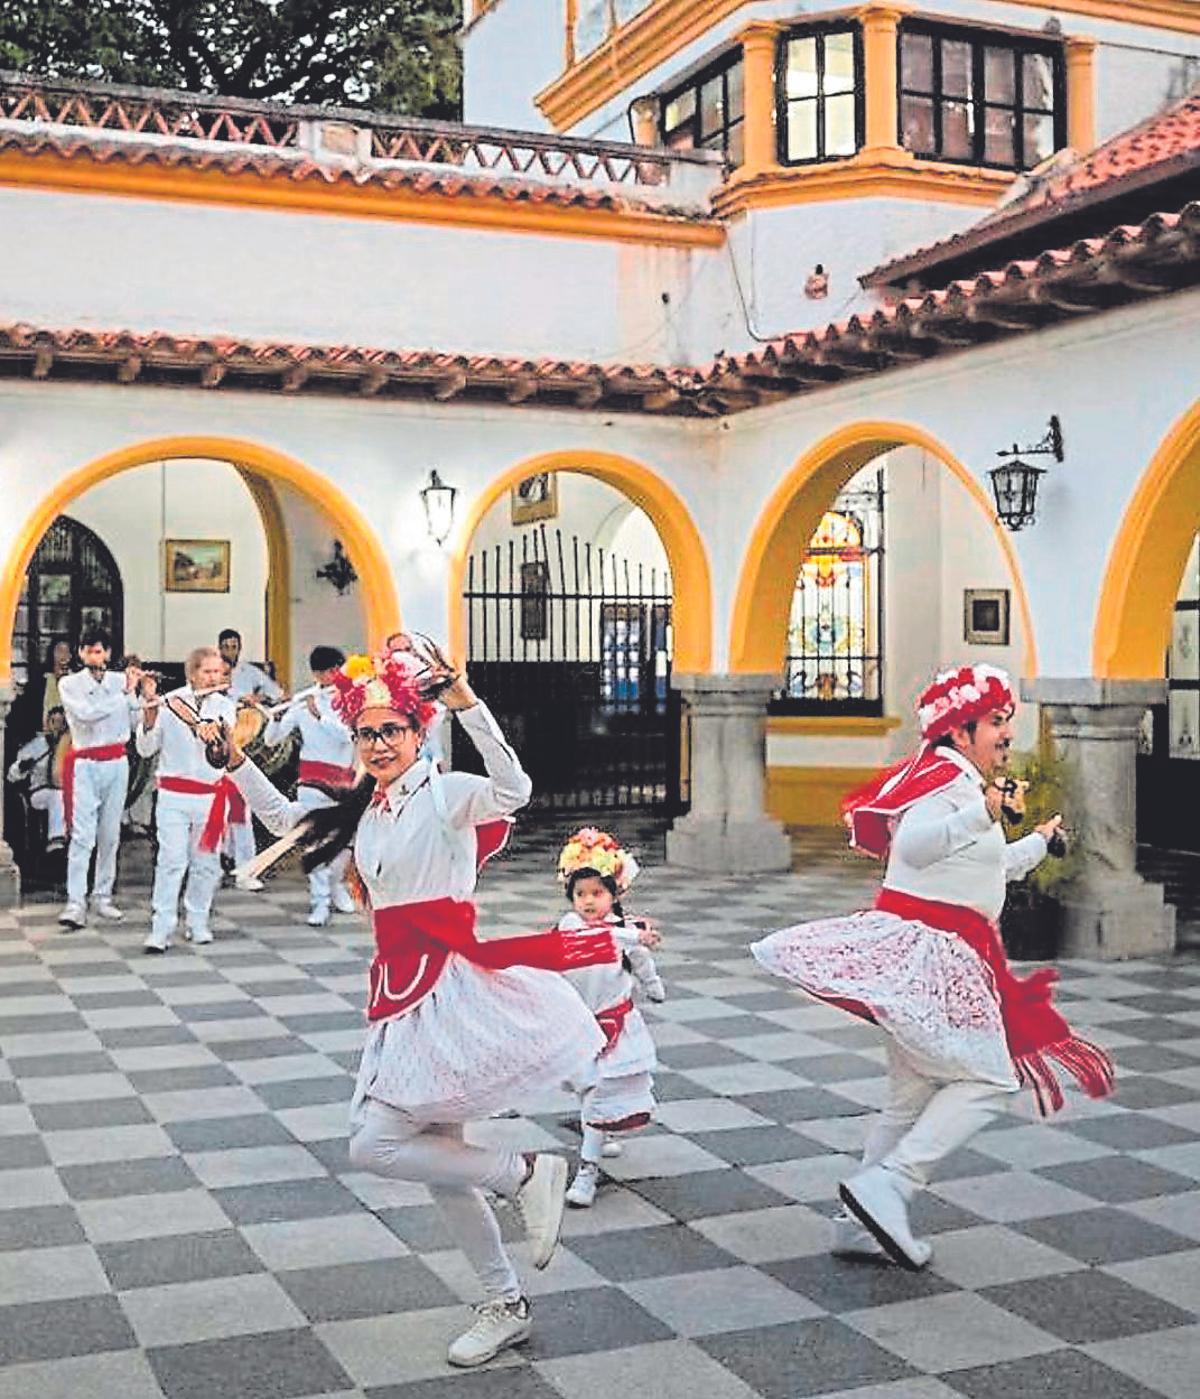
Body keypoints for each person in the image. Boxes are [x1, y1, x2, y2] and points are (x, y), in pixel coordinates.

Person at [225, 641, 620, 1368]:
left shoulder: (446, 792)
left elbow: (516, 788)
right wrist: (236, 762)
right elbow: (288, 821)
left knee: (374, 1141)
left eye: (391, 731)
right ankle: (504, 1301)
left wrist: (467, 703)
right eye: (366, 733)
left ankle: (525, 1173)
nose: (377, 744)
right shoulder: (365, 807)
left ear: (417, 731)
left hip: (447, 986)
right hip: (399, 992)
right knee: (440, 1164)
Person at [752, 664, 1114, 1271]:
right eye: (997, 722)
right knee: (989, 1081)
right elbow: (917, 846)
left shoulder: (960, 780)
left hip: (945, 950)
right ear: (960, 728)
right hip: (932, 953)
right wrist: (985, 810)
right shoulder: (947, 778)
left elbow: (977, 867)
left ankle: (857, 1224)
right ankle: (889, 1185)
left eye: (1007, 722)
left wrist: (1036, 843)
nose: (1006, 734)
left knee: (911, 1097)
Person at [556, 827, 665, 1209]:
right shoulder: (570, 928)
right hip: (578, 1024)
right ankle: (599, 1133)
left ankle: (588, 1169)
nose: (588, 901)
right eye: (580, 894)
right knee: (588, 1091)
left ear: (613, 894)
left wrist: (652, 985)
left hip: (615, 1023)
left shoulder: (623, 931)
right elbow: (593, 943)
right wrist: (632, 935)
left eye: (597, 893)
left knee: (600, 1093)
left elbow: (640, 960)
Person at [136, 646, 239, 953]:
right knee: (171, 861)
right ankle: (161, 927)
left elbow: (224, 753)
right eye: (207, 672)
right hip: (173, 796)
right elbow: (145, 748)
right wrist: (150, 714)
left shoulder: (225, 706)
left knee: (206, 863)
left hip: (210, 797)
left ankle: (198, 921)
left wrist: (215, 734)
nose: (213, 677)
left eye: (217, 672)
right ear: (192, 673)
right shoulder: (170, 702)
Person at [261, 645, 357, 926]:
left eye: (339, 669)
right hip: (311, 783)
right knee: (314, 841)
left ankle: (337, 885)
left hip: (343, 781)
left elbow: (347, 737)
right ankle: (319, 902)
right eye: (330, 670)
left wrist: (321, 717)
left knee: (344, 843)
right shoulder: (305, 701)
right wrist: (275, 718)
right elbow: (272, 740)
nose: (336, 674)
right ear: (317, 673)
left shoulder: (351, 699)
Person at [56, 628, 138, 929]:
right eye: (89, 651)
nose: (95, 656)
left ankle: (102, 895)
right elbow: (86, 715)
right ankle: (75, 902)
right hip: (86, 764)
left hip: (116, 762)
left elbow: (135, 718)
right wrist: (124, 694)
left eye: (100, 651)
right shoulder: (69, 684)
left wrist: (139, 693)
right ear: (81, 654)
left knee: (110, 833)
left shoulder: (120, 682)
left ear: (108, 654)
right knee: (82, 835)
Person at [217, 629, 281, 889]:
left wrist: (257, 699)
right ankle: (219, 862)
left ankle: (245, 867)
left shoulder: (249, 673)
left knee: (239, 808)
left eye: (234, 646)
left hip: (242, 745)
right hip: (216, 744)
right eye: (226, 646)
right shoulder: (214, 672)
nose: (230, 651)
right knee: (216, 812)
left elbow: (277, 694)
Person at [6, 705, 68, 851]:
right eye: (54, 722)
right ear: (48, 723)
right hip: (39, 793)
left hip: (67, 792)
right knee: (57, 796)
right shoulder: (36, 745)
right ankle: (55, 841)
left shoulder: (69, 745)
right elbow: (12, 775)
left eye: (61, 723)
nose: (57, 727)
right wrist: (21, 767)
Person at [42, 639, 72, 723]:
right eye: (60, 651)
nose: (63, 655)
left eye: (66, 652)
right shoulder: (42, 680)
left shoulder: (75, 680)